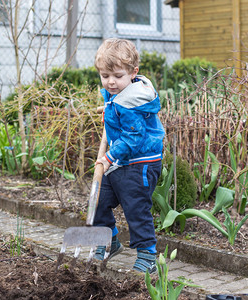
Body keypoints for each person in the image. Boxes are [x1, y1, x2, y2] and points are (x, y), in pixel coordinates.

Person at [92, 38, 165, 274]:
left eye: (117, 76)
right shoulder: (116, 94)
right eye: (105, 75)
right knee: (99, 201)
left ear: (134, 73)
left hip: (140, 162)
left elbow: (133, 138)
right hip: (120, 158)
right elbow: (117, 105)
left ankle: (147, 256)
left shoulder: (131, 103)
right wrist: (110, 109)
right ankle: (110, 241)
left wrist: (109, 158)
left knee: (136, 207)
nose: (111, 82)